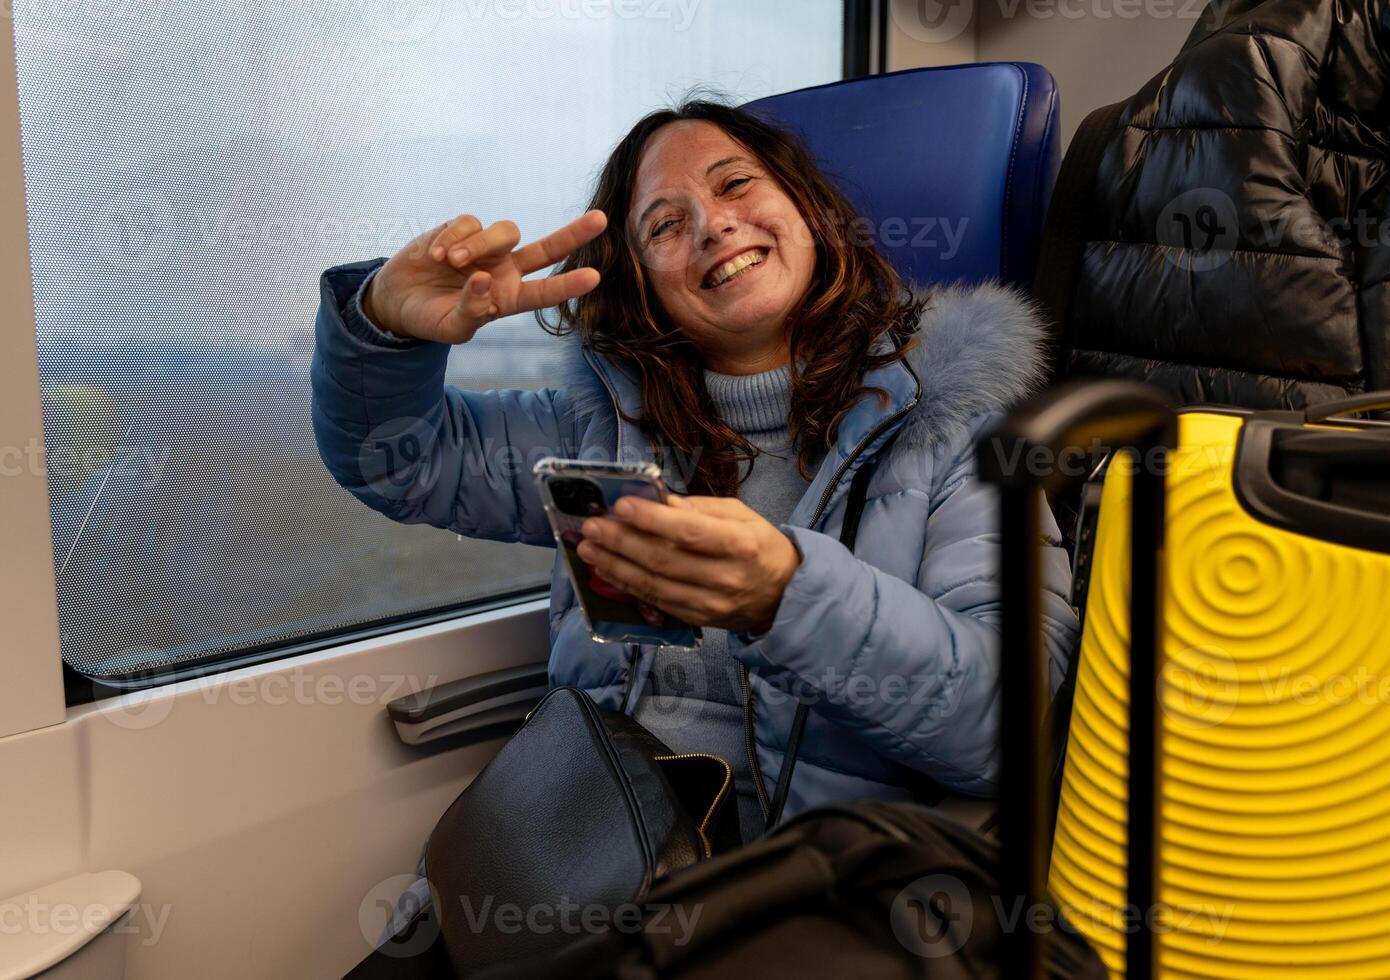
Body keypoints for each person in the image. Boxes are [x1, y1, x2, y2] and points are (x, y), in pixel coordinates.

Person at [311, 99, 1079, 847]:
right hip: (602, 858)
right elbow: (400, 464)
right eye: (666, 225)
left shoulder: (953, 430)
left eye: (735, 184)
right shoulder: (599, 427)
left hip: (807, 904)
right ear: (643, 283)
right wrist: (383, 326)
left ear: (809, 210)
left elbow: (1009, 730)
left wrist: (788, 597)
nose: (713, 225)